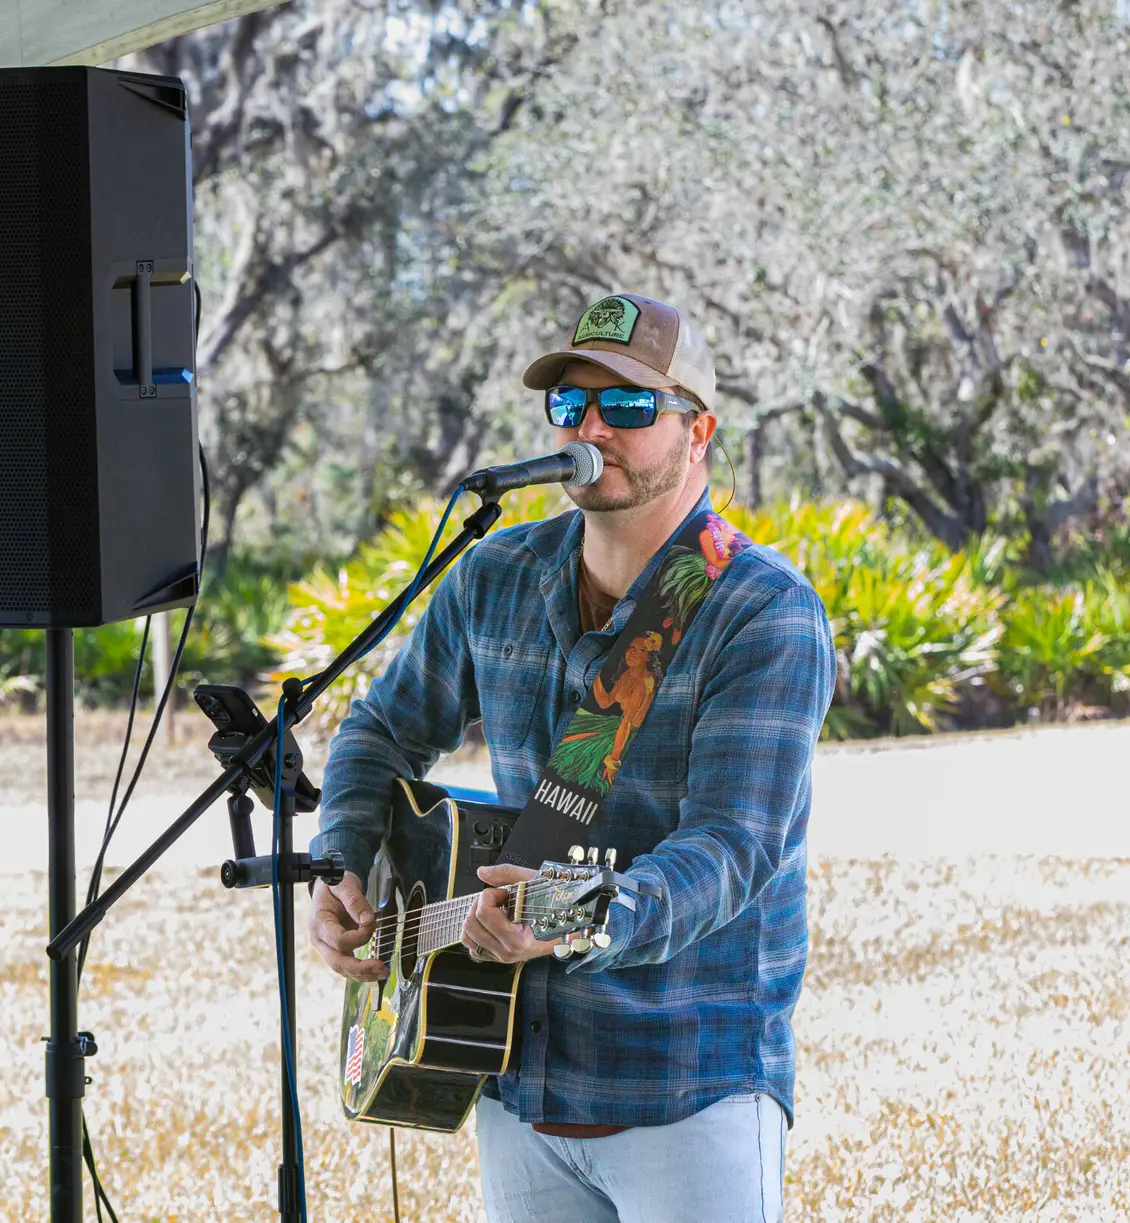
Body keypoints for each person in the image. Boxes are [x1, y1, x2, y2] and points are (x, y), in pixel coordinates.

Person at [307, 293, 835, 1222]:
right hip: (517, 1073)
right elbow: (379, 730)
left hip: (688, 1083)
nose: (592, 428)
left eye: (627, 405)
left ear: (698, 432)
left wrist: (569, 915)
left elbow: (732, 847)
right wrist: (342, 861)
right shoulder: (494, 576)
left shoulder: (764, 612)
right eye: (571, 404)